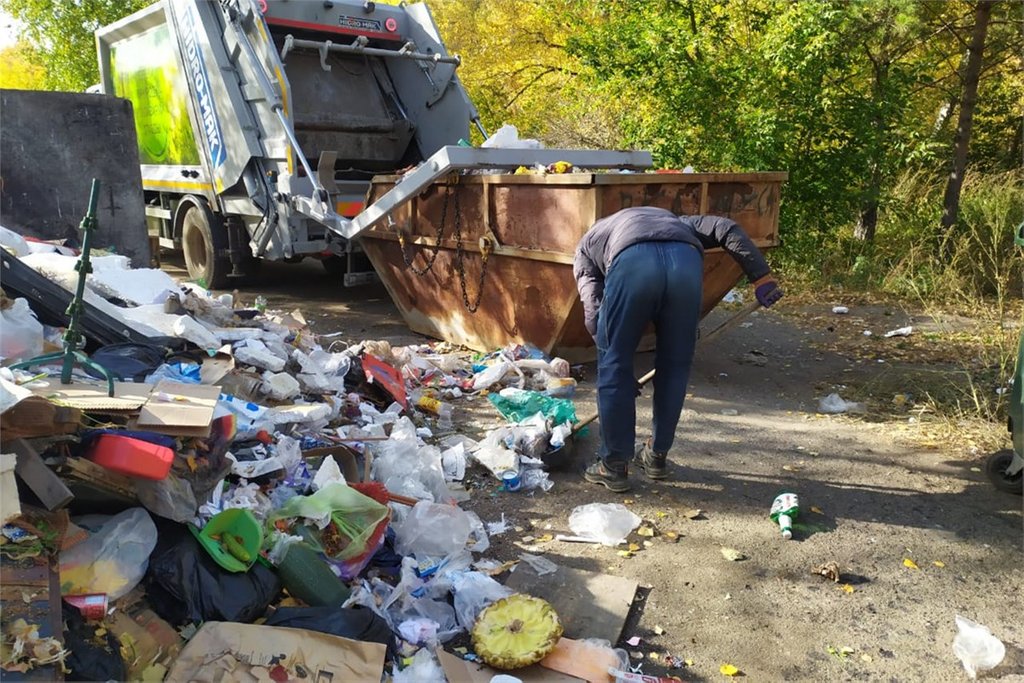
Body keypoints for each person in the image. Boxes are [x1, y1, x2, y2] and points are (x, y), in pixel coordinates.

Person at [573, 206, 783, 491]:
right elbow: (726, 228)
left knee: (612, 364)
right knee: (675, 365)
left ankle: (613, 466)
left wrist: (617, 370)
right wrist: (761, 277)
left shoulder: (587, 244)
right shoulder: (680, 222)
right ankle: (656, 457)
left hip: (632, 265)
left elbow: (593, 308)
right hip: (685, 265)